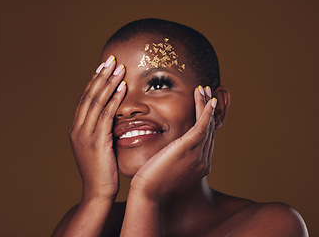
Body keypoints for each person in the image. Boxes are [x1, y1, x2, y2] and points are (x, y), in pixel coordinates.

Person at [52, 18, 308, 237]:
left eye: (158, 83)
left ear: (216, 107)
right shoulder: (84, 220)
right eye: (113, 90)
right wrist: (96, 195)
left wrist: (145, 195)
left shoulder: (272, 225)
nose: (125, 108)